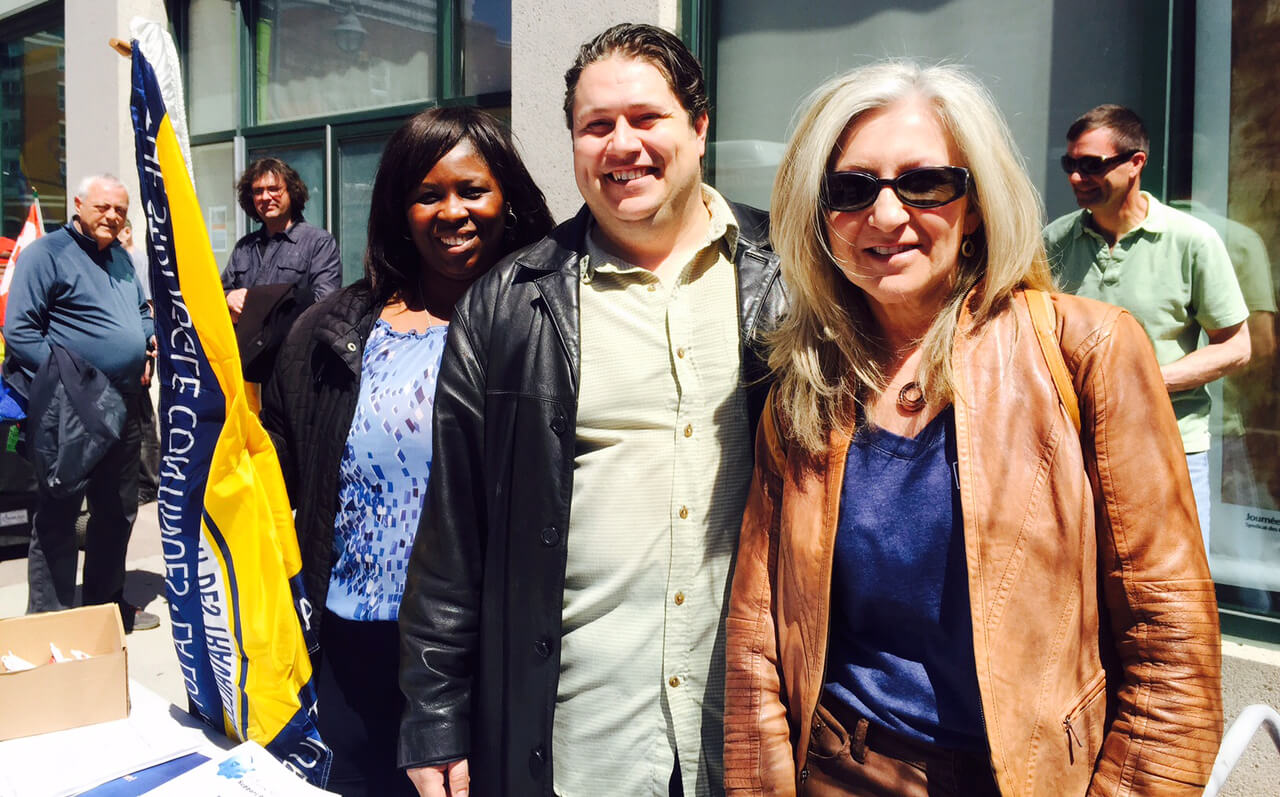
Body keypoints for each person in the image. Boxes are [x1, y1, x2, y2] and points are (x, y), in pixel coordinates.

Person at [723, 62, 1222, 796]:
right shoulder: (807, 380)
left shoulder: (1089, 352)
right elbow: (756, 634)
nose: (887, 216)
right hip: (837, 769)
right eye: (851, 189)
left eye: (924, 183)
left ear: (978, 203)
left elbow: (1170, 643)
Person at [398, 23, 787, 797]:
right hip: (582, 740)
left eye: (646, 119)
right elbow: (452, 537)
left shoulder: (789, 277)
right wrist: (433, 715)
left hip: (748, 737)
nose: (622, 145)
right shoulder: (506, 307)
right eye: (596, 125)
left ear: (699, 127)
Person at [260, 107, 552, 797]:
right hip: (353, 644)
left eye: (472, 189)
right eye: (428, 194)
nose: (453, 211)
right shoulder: (332, 331)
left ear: (507, 196)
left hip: (483, 656)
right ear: (399, 206)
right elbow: (277, 468)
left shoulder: (544, 322)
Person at [1044, 105, 1250, 549]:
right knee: (1086, 588)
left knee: (1176, 591)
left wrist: (1143, 381)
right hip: (1077, 448)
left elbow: (1236, 347)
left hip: (1169, 444)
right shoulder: (1053, 241)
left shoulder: (1191, 240)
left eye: (1091, 165)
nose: (1077, 178)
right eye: (1070, 165)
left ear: (1136, 162)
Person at [3, 174, 158, 632]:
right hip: (71, 409)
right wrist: (73, 381)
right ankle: (48, 617)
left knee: (117, 510)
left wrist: (144, 340)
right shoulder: (45, 255)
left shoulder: (121, 258)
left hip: (125, 403)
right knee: (59, 512)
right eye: (103, 207)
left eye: (120, 210)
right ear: (79, 204)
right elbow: (20, 330)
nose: (112, 216)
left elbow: (142, 311)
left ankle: (105, 607)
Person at [118, 219, 160, 504]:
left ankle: (149, 482)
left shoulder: (138, 262)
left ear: (128, 231)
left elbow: (150, 308)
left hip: (142, 349)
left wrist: (146, 358)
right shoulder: (116, 260)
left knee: (144, 418)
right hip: (128, 350)